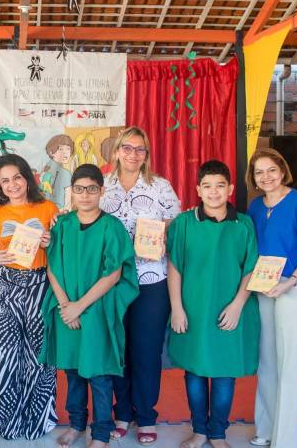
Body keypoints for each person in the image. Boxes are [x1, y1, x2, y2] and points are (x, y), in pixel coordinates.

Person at [38, 164, 139, 448]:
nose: (85, 195)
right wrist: (64, 305)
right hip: (66, 309)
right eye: (80, 189)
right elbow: (52, 268)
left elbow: (114, 274)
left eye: (92, 189)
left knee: (98, 373)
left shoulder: (112, 227)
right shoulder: (63, 225)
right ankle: (77, 424)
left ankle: (101, 433)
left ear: (101, 191)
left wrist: (79, 306)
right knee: (72, 371)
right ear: (72, 192)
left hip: (96, 310)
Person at [167, 160, 260, 448]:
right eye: (207, 186)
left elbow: (250, 269)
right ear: (198, 189)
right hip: (192, 309)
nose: (214, 192)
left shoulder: (243, 224)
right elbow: (175, 267)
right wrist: (177, 308)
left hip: (229, 310)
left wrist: (237, 305)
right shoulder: (184, 223)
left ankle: (218, 433)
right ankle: (200, 431)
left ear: (230, 188)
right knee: (194, 371)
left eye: (220, 186)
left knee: (223, 372)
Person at [98, 126, 181, 445]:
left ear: (147, 154)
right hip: (113, 282)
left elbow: (175, 225)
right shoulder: (103, 187)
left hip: (151, 281)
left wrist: (163, 237)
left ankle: (146, 415)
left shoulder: (160, 187)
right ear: (117, 151)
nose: (133, 154)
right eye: (127, 148)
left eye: (140, 149)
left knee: (146, 351)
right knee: (118, 351)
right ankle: (122, 413)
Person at [246, 149, 297, 448]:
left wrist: (291, 281)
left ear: (283, 170)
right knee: (266, 360)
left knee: (291, 362)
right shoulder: (254, 206)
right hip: (265, 286)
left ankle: (287, 440)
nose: (266, 176)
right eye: (259, 172)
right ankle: (265, 429)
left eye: (271, 170)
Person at [0, 154, 59, 440]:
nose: (12, 184)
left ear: (27, 178)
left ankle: (38, 417)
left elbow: (60, 248)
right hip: (6, 286)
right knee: (4, 354)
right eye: (5, 180)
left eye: (17, 177)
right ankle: (6, 417)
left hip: (40, 283)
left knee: (38, 353)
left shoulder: (48, 208)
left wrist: (51, 240)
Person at [40, 134, 74, 209]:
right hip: (59, 211)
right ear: (51, 152)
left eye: (68, 149)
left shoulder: (45, 168)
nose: (65, 152)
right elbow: (68, 202)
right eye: (61, 149)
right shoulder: (66, 173)